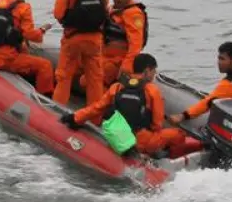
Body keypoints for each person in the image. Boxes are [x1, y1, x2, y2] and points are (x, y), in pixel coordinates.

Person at [62, 53, 201, 159]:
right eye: (153, 71)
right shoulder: (152, 90)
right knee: (179, 134)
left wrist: (75, 118)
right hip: (141, 141)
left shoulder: (117, 87)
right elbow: (157, 124)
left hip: (119, 136)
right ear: (147, 71)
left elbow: (96, 108)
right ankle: (162, 158)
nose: (154, 75)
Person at [52, 0, 109, 105]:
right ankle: (95, 117)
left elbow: (58, 13)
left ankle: (57, 111)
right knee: (95, 80)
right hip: (95, 39)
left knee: (64, 77)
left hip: (72, 39)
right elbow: (105, 11)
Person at [99, 0, 148, 93]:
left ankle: (104, 107)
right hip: (105, 57)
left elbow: (136, 43)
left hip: (119, 61)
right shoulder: (111, 9)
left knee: (93, 79)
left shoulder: (133, 14)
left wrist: (127, 66)